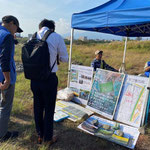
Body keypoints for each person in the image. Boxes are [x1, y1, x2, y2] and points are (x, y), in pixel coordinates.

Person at [30, 19, 68, 145]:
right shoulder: (56, 37)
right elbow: (64, 59)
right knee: (49, 108)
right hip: (49, 79)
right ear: (52, 28)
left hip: (34, 79)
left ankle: (40, 135)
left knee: (38, 106)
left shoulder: (32, 37)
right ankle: (48, 138)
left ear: (40, 27)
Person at [0, 15, 23, 141]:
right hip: (3, 77)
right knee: (5, 106)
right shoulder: (6, 36)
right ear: (12, 23)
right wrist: (7, 79)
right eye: (16, 29)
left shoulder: (3, 34)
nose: (16, 32)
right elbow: (5, 60)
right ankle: (2, 135)